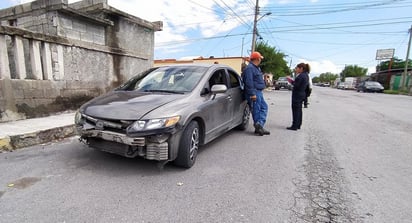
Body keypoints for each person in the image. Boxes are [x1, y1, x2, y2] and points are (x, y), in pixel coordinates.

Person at [242, 51, 270, 136]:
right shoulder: (250, 68)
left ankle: (259, 125)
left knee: (264, 107)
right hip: (254, 92)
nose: (260, 60)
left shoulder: (256, 68)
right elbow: (249, 82)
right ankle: (258, 126)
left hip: (258, 92)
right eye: (260, 59)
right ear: (257, 59)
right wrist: (252, 94)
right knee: (256, 110)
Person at [287, 63, 310, 131]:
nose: (296, 69)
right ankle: (298, 124)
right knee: (299, 110)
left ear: (301, 68)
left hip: (297, 94)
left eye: (297, 68)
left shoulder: (301, 76)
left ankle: (294, 125)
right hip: (302, 94)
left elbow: (296, 85)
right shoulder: (306, 75)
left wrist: (290, 80)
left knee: (295, 110)